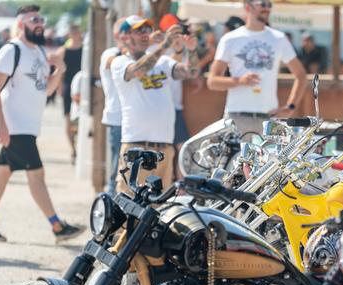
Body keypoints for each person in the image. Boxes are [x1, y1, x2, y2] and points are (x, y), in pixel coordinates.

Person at [0, 4, 84, 243]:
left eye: (41, 20)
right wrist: (2, 125)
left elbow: (46, 91)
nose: (40, 24)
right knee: (37, 175)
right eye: (34, 20)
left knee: (2, 173)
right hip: (16, 128)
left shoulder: (39, 52)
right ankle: (57, 226)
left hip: (29, 127)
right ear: (21, 24)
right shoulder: (11, 50)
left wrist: (59, 70)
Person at [111, 15, 199, 192]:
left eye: (147, 29)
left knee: (159, 204)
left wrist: (191, 50)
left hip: (164, 148)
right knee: (129, 200)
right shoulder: (120, 62)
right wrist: (165, 45)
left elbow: (190, 73)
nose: (145, 34)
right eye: (139, 30)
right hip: (136, 146)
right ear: (125, 37)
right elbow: (138, 70)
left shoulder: (163, 61)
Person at [208, 0, 307, 136]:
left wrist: (290, 107)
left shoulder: (279, 38)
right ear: (248, 7)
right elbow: (212, 81)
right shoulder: (230, 39)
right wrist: (240, 81)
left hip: (269, 118)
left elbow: (301, 76)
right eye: (262, 4)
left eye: (269, 4)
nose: (267, 8)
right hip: (237, 117)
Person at [158, 13, 199, 178]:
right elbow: (168, 66)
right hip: (160, 109)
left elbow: (191, 72)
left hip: (175, 107)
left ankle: (180, 187)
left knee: (181, 150)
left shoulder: (181, 47)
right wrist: (180, 48)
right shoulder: (158, 49)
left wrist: (190, 49)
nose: (178, 34)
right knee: (165, 151)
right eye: (174, 30)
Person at [99, 17, 126, 195]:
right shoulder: (110, 53)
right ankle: (110, 201)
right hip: (117, 119)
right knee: (117, 165)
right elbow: (111, 62)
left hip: (135, 121)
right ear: (118, 35)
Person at [57, 24, 83, 162]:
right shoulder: (63, 51)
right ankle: (73, 149)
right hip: (68, 86)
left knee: (81, 119)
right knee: (68, 119)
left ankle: (79, 148)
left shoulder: (86, 49)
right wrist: (59, 86)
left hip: (82, 86)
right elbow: (60, 71)